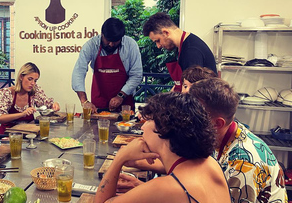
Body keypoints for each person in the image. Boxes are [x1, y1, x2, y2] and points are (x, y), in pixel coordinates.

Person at [95, 92, 230, 203]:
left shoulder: (165, 187)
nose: (142, 127)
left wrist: (120, 158)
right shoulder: (211, 164)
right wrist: (141, 187)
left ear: (164, 131)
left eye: (148, 121)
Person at [189, 78, 288, 203]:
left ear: (217, 123)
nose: (188, 118)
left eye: (194, 115)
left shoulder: (243, 162)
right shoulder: (225, 132)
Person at [71, 17, 142, 113]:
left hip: (125, 104)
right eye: (108, 40)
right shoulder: (91, 45)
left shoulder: (131, 46)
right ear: (102, 34)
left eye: (115, 41)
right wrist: (84, 101)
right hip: (99, 102)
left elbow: (136, 75)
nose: (111, 44)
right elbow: (79, 71)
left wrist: (121, 95)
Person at [142, 12, 216, 92]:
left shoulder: (191, 51)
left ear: (166, 33)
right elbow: (180, 84)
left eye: (158, 41)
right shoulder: (184, 45)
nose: (158, 46)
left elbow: (192, 91)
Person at [0, 62, 60, 138]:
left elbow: (47, 103)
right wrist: (22, 114)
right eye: (30, 79)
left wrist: (54, 104)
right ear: (21, 77)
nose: (32, 83)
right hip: (8, 136)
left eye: (35, 80)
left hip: (28, 134)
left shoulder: (35, 90)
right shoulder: (7, 93)